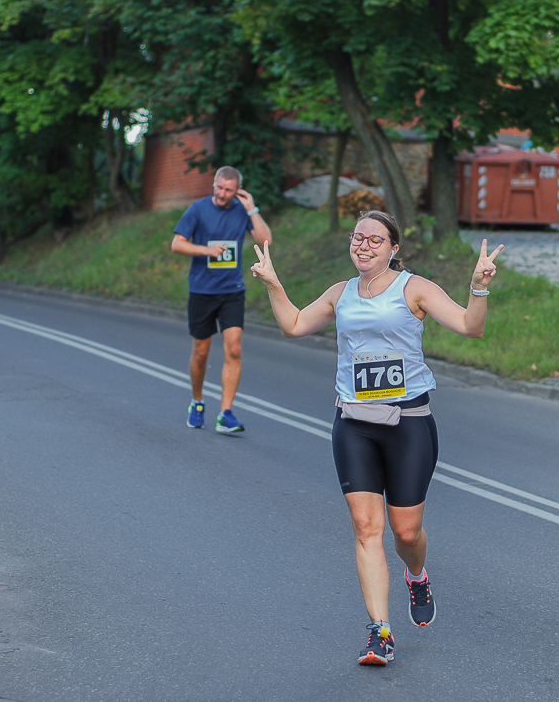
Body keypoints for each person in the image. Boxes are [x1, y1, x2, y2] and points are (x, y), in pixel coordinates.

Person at [249, 209, 503, 667]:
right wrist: (272, 282)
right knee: (368, 529)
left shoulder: (415, 289)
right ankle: (379, 632)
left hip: (408, 422)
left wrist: (479, 285)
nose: (363, 246)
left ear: (393, 248)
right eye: (357, 238)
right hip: (354, 422)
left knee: (406, 532)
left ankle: (417, 574)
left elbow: (471, 326)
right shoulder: (340, 294)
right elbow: (294, 325)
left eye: (375, 240)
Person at [170, 166, 272, 434]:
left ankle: (225, 413)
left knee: (234, 348)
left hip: (232, 290)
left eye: (228, 190)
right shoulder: (198, 209)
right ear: (213, 184)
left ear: (237, 189)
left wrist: (252, 209)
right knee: (201, 353)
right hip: (202, 290)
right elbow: (177, 243)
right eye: (219, 187)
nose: (222, 194)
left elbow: (266, 241)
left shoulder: (241, 210)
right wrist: (206, 250)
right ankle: (198, 401)